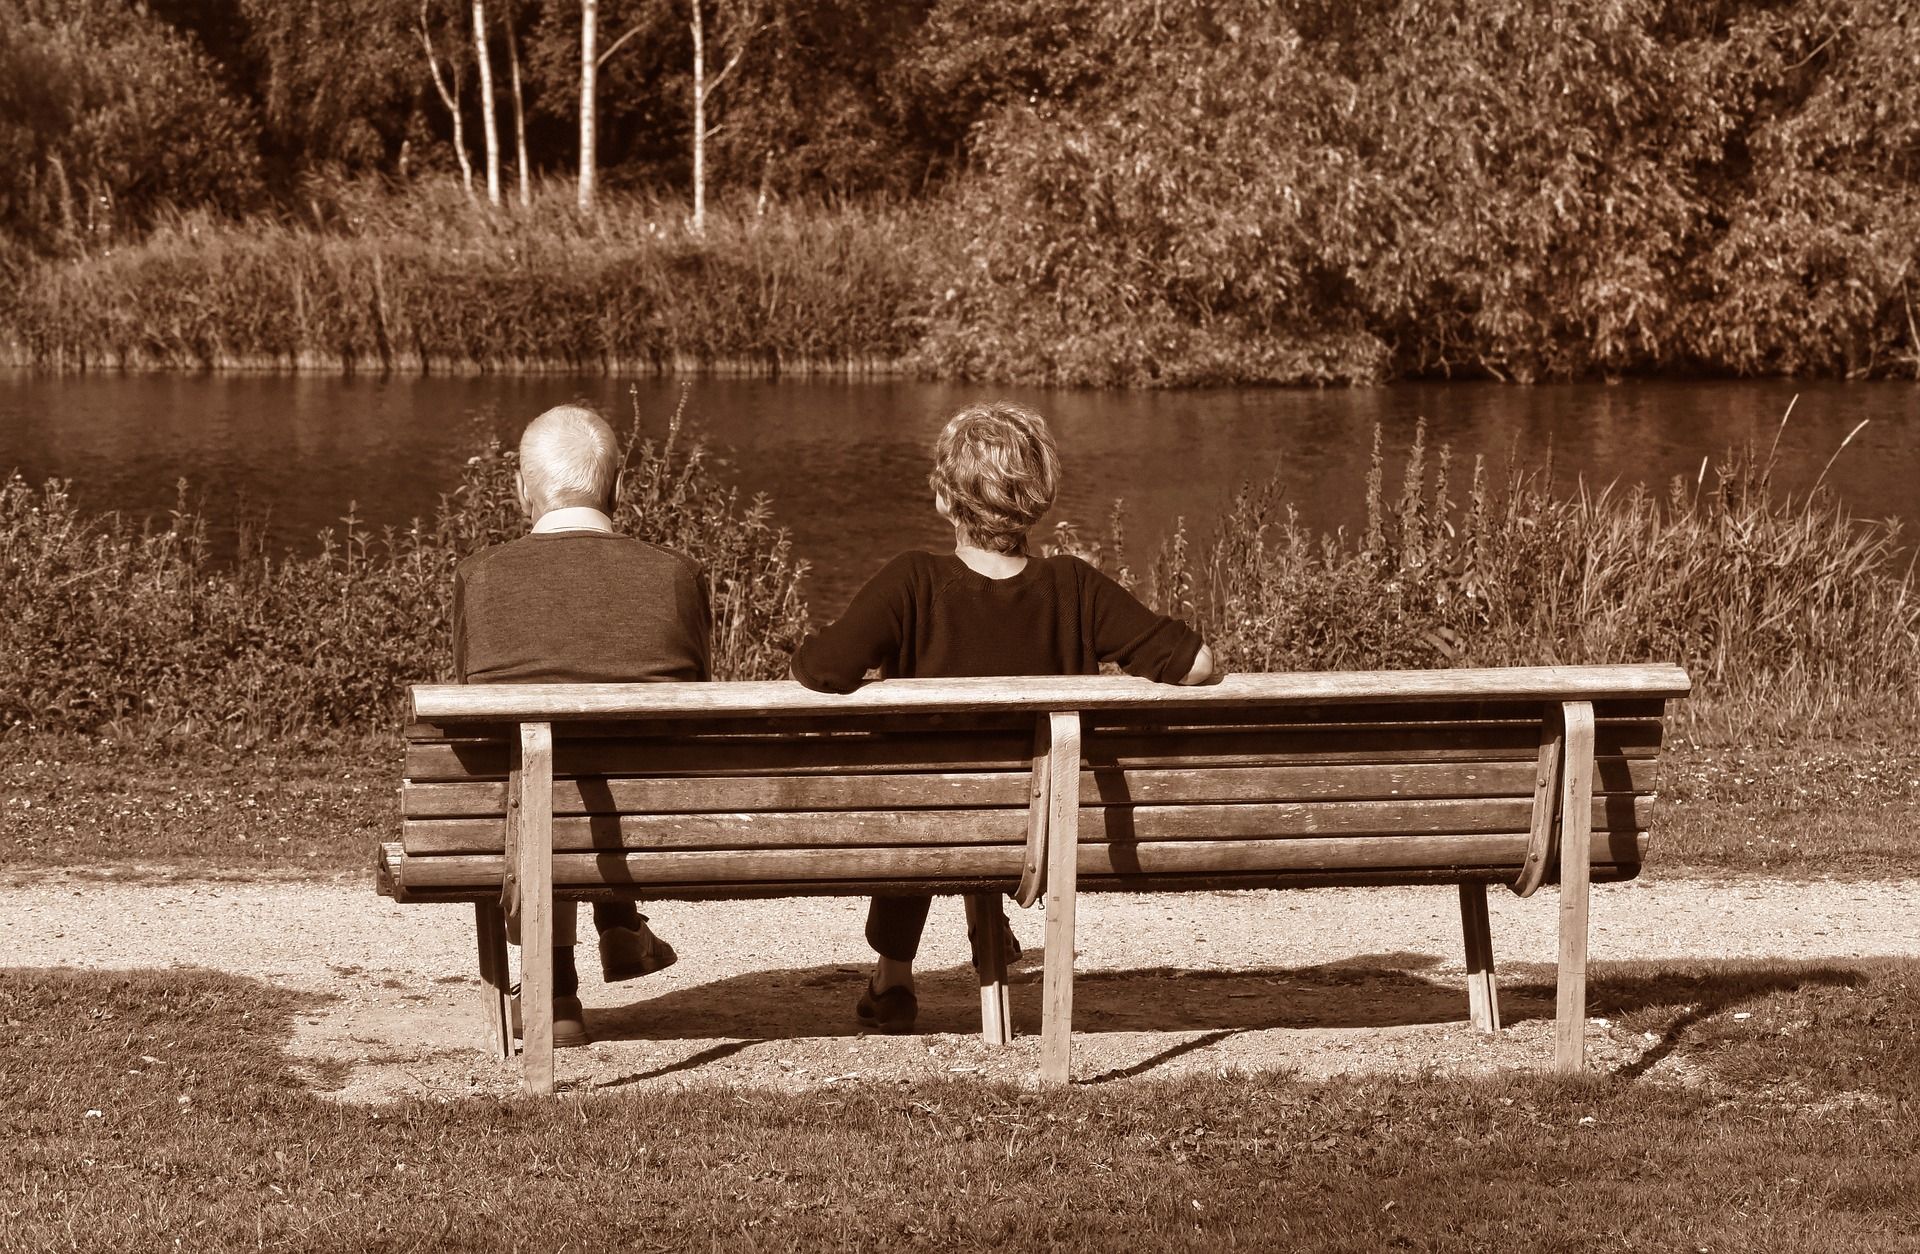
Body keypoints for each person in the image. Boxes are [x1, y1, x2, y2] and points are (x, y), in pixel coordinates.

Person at [790, 400, 1214, 1034]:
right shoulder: (1075, 588)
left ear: (943, 500)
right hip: (1039, 831)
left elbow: (821, 669)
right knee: (970, 791)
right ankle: (969, 932)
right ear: (1038, 498)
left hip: (929, 826)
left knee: (923, 784)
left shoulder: (912, 582)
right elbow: (1198, 665)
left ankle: (894, 977)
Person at [453, 403, 711, 1048]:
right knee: (583, 765)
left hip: (514, 827)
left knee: (536, 769)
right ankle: (618, 917)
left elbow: (472, 718)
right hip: (659, 827)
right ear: (620, 488)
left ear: (519, 491)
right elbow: (696, 708)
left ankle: (555, 987)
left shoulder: (479, 577)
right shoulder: (676, 575)